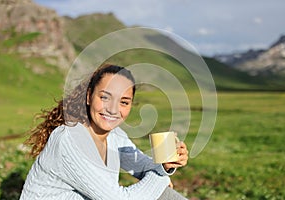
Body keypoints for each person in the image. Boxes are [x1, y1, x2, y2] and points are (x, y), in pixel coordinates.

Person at [20, 63, 189, 200]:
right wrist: (161, 178)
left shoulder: (116, 137)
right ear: (88, 97)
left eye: (123, 102)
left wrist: (165, 165)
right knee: (156, 190)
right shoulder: (69, 139)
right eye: (105, 97)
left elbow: (143, 166)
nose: (113, 109)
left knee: (161, 194)